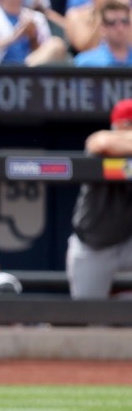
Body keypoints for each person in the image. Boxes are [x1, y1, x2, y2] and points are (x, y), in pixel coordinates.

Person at [66, 98, 132, 299]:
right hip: (93, 245)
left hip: (128, 241)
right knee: (87, 313)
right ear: (120, 125)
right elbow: (100, 142)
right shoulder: (102, 145)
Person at [74, 0, 132, 65]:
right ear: (103, 28)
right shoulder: (86, 63)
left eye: (124, 21)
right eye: (112, 23)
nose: (120, 28)